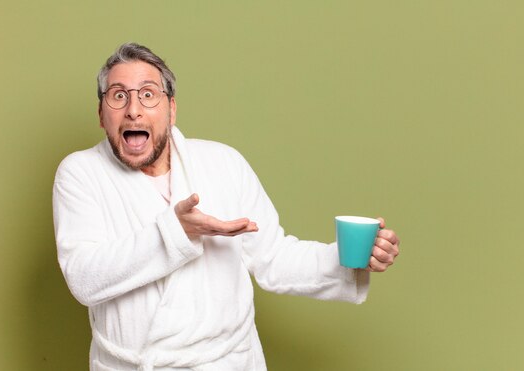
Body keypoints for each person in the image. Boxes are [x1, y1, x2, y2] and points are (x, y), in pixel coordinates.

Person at [52, 42, 400, 371]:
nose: (133, 109)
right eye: (118, 96)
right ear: (101, 114)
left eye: (148, 94)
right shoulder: (80, 173)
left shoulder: (223, 164)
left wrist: (348, 259)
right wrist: (176, 232)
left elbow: (274, 258)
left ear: (171, 109)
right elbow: (84, 278)